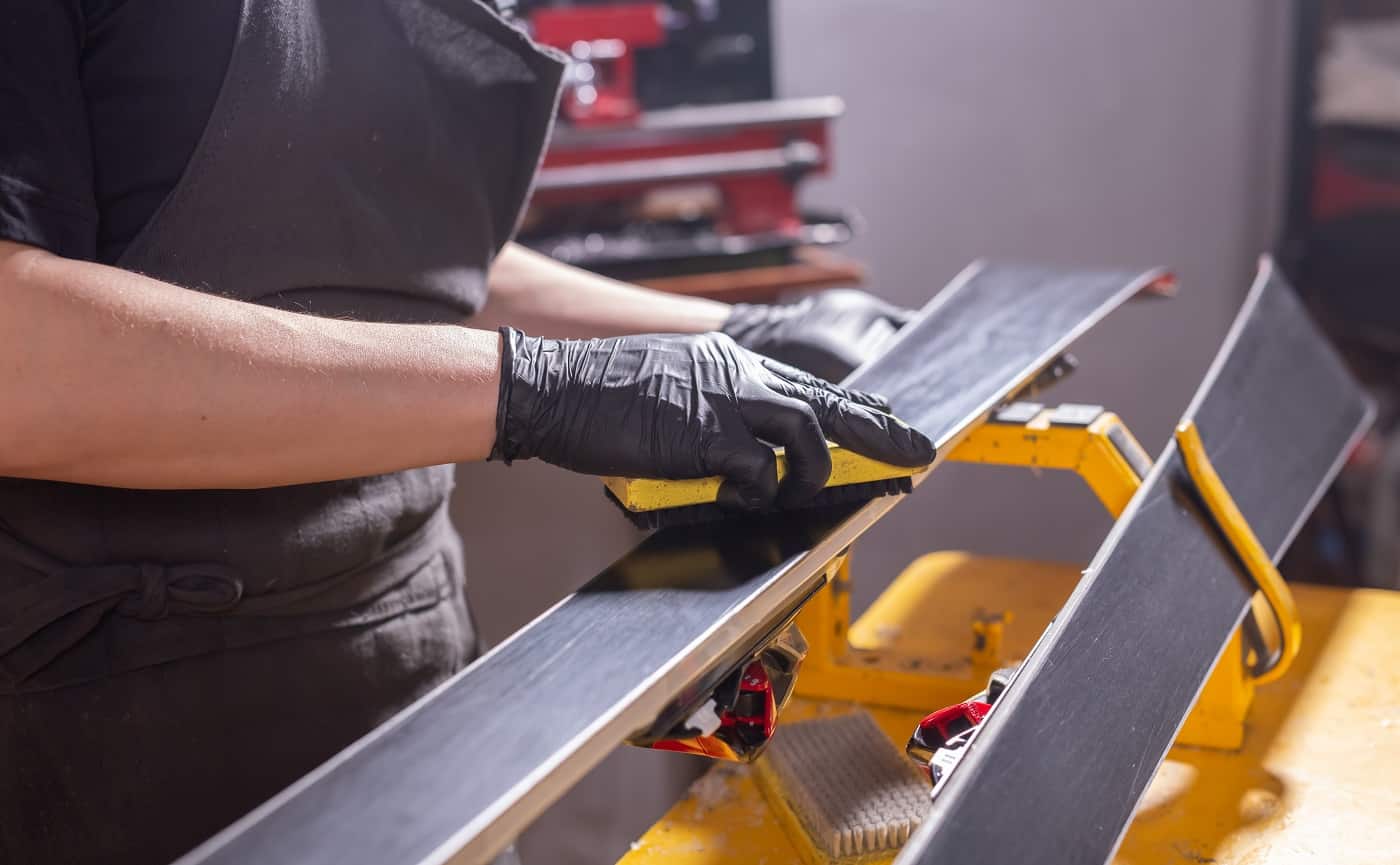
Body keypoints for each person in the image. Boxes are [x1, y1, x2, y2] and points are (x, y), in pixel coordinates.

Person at [0, 2, 932, 863]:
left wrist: (721, 339)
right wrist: (539, 388)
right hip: (113, 716)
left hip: (409, 657)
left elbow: (400, 257)